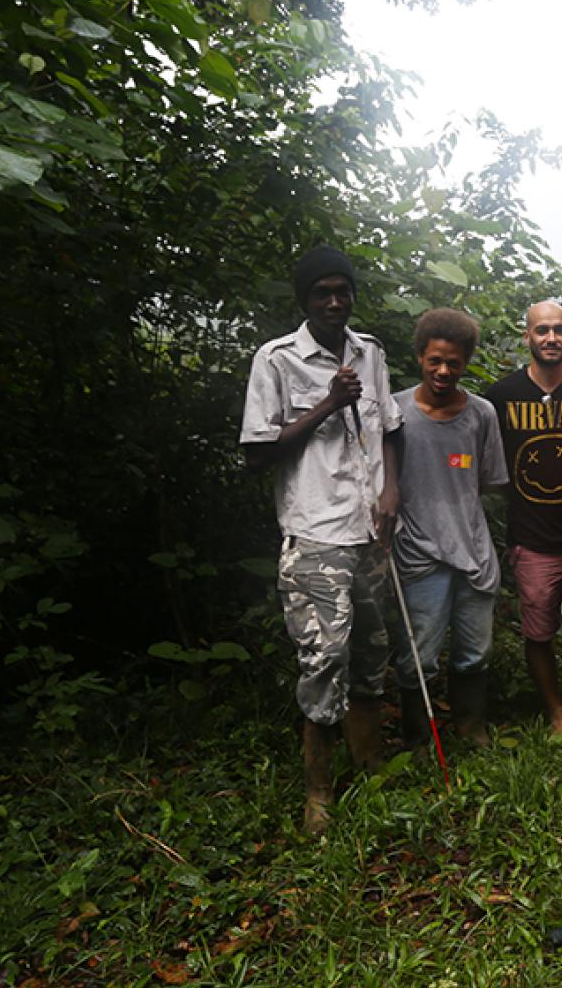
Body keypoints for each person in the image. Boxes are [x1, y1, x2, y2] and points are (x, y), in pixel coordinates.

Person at [239, 246, 403, 834]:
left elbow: (390, 430)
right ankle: (318, 791)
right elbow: (257, 452)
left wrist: (391, 495)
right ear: (304, 300)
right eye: (321, 293)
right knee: (323, 657)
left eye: (342, 290)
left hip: (370, 533)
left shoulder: (371, 351)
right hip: (314, 534)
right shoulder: (277, 360)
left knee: (370, 652)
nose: (335, 302)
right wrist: (326, 404)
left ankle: (371, 761)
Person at [485, 301, 562, 735]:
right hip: (532, 536)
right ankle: (557, 711)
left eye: (558, 330)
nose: (551, 338)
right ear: (528, 337)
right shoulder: (502, 396)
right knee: (539, 630)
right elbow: (493, 470)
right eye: (542, 331)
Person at [391, 308, 508, 749]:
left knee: (474, 652)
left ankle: (470, 728)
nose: (443, 370)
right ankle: (418, 738)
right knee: (417, 657)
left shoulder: (481, 414)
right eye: (434, 360)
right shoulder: (395, 411)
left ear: (465, 363)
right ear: (420, 355)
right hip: (417, 553)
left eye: (453, 363)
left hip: (474, 552)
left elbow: (491, 480)